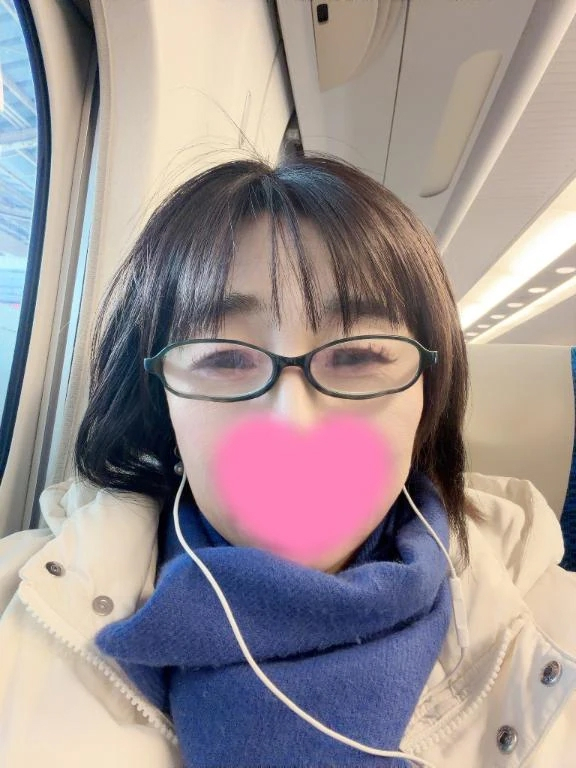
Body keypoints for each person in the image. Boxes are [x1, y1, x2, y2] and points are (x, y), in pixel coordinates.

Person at [0, 154, 574, 768]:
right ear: (160, 400)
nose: (292, 424)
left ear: (428, 393)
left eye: (356, 357)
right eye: (224, 358)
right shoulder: (22, 605)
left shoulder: (552, 627)